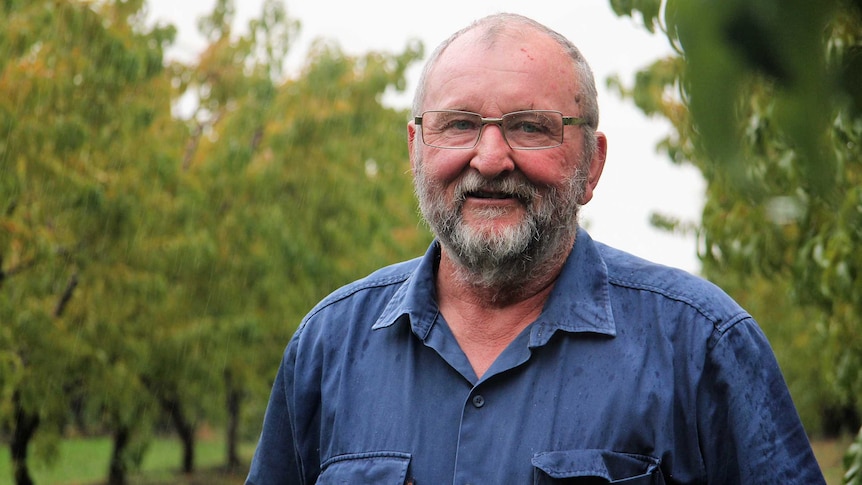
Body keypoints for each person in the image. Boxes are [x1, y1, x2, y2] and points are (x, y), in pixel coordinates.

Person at [246, 13, 825, 484]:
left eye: (529, 127)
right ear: (417, 148)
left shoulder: (702, 346)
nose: (491, 159)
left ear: (592, 163)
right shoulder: (327, 345)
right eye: (459, 125)